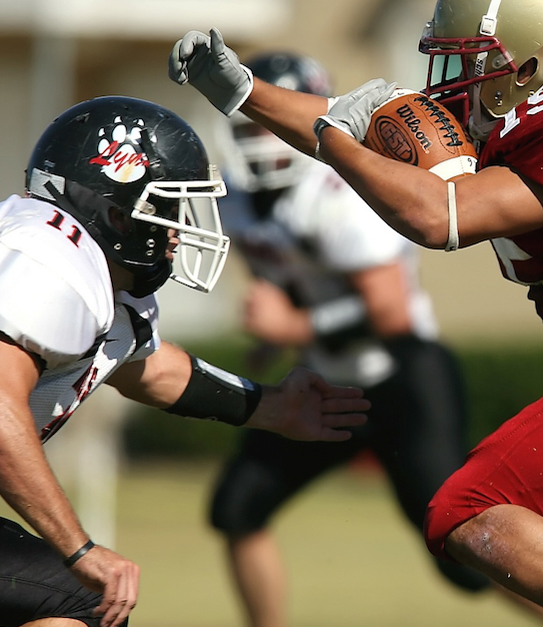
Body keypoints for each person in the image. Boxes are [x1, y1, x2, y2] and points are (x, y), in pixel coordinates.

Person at [168, 0, 543, 627]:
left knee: (468, 506)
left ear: (538, 56)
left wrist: (337, 140)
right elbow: (345, 116)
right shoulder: (524, 119)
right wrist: (242, 93)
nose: (454, 81)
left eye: (475, 62)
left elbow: (438, 214)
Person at [0, 94, 371, 627]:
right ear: (113, 211)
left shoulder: (83, 265)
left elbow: (143, 367)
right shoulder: (48, 261)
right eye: (168, 207)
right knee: (83, 597)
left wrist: (270, 406)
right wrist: (80, 549)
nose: (179, 229)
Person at [206, 50, 496, 627]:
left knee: (463, 550)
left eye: (271, 123)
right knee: (238, 507)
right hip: (330, 381)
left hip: (402, 378)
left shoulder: (341, 190)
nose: (263, 141)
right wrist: (278, 336)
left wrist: (290, 327)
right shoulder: (240, 203)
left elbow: (388, 315)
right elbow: (290, 285)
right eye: (251, 126)